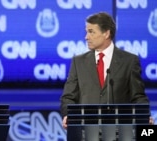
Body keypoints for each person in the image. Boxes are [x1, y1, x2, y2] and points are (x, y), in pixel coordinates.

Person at [60, 12, 150, 141]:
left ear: (106, 33)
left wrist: (143, 115)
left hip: (119, 134)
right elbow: (68, 97)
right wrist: (68, 115)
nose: (86, 37)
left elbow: (138, 97)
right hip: (86, 133)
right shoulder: (78, 62)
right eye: (86, 32)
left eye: (91, 32)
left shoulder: (129, 61)